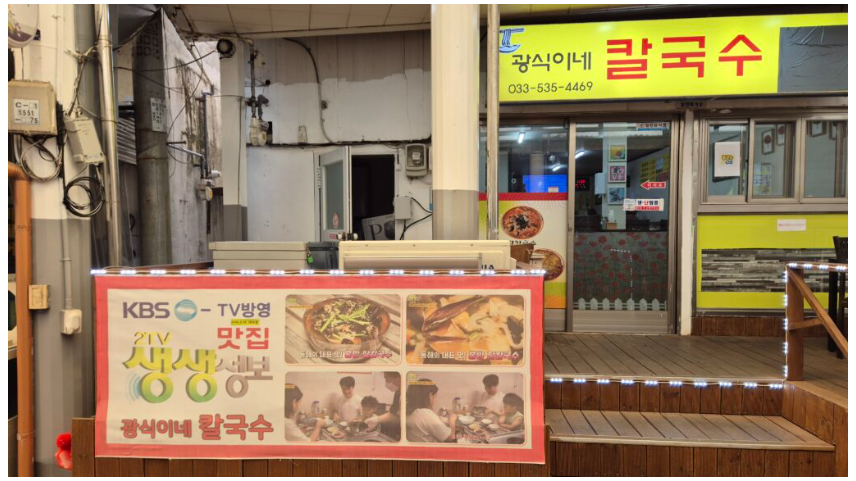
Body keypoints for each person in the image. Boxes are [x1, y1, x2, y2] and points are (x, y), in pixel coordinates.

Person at [406, 378, 457, 443]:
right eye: (436, 395)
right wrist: (452, 421)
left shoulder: (409, 410)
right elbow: (450, 437)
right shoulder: (425, 414)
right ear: (430, 396)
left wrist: (437, 419)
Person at [376, 372, 401, 440]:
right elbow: (393, 413)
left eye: (386, 379)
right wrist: (376, 419)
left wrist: (377, 419)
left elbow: (395, 415)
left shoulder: (408, 392)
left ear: (397, 377)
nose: (386, 382)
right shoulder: (398, 393)